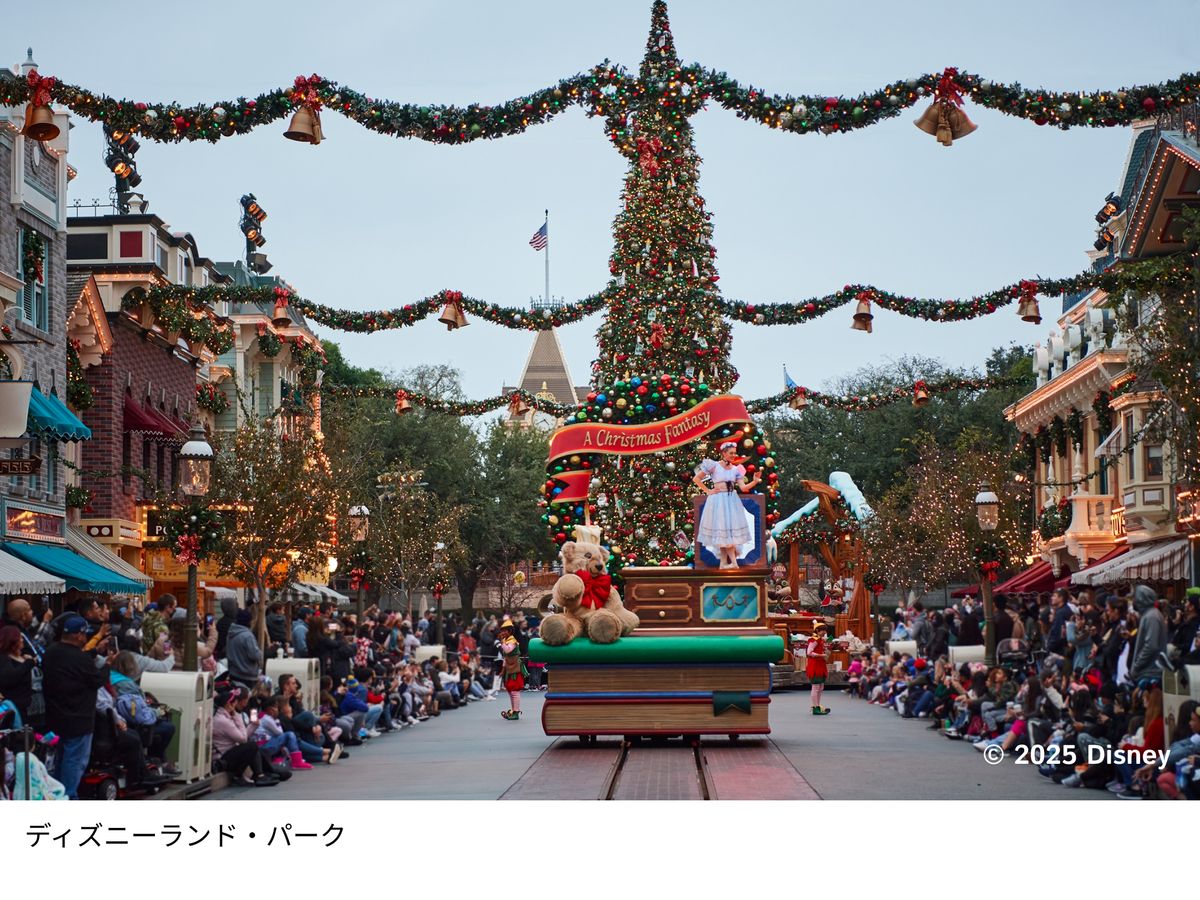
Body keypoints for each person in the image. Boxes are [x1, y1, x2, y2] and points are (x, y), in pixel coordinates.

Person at [42, 615, 115, 799]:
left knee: (61, 759)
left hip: (56, 715)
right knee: (74, 761)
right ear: (78, 635)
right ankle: (68, 796)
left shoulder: (51, 652)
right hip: (79, 718)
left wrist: (93, 652)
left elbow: (75, 665)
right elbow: (96, 679)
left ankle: (57, 794)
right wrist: (107, 665)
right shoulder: (79, 659)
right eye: (84, 635)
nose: (85, 638)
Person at [693, 441, 763, 568]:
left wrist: (755, 481)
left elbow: (743, 487)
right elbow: (696, 479)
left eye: (734, 453)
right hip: (718, 501)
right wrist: (708, 491)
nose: (733, 455)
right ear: (724, 453)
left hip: (731, 500)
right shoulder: (714, 466)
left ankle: (725, 563)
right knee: (722, 531)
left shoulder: (736, 469)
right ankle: (730, 563)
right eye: (731, 453)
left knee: (727, 532)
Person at [211, 687, 280, 787]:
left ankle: (263, 774)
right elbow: (243, 739)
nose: (235, 705)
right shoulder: (223, 720)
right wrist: (236, 716)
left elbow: (242, 736)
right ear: (229, 704)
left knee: (253, 747)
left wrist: (254, 725)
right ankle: (252, 775)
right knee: (251, 746)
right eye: (234, 703)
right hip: (222, 758)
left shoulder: (226, 716)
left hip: (229, 753)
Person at [1128, 584, 1167, 687]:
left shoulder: (1151, 617)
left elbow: (1151, 646)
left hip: (1150, 673)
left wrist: (1136, 666)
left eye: (1134, 598)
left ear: (1141, 599)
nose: (1133, 601)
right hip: (1147, 672)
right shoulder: (1148, 615)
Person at [0, 624, 35, 724]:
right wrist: (28, 664)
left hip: (29, 708)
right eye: (20, 637)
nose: (22, 640)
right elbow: (9, 677)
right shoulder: (3, 659)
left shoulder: (23, 657)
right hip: (15, 708)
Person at [498, 618, 527, 721]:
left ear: (510, 631)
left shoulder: (512, 641)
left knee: (515, 691)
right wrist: (503, 670)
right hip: (510, 668)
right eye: (502, 630)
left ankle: (516, 712)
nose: (503, 632)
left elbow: (508, 650)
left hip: (515, 668)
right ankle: (514, 710)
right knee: (511, 691)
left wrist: (502, 641)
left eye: (505, 630)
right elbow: (506, 657)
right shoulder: (506, 641)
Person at [225, 609, 262, 689]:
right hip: (247, 675)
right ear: (248, 621)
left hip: (234, 673)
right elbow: (255, 655)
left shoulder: (231, 633)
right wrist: (260, 653)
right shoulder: (248, 636)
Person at [806, 623, 831, 715]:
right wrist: (821, 655)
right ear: (817, 630)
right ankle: (815, 707)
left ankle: (818, 705)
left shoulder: (820, 640)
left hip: (820, 664)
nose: (825, 632)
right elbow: (809, 652)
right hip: (815, 665)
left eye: (825, 630)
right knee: (816, 686)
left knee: (821, 687)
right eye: (823, 630)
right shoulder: (814, 640)